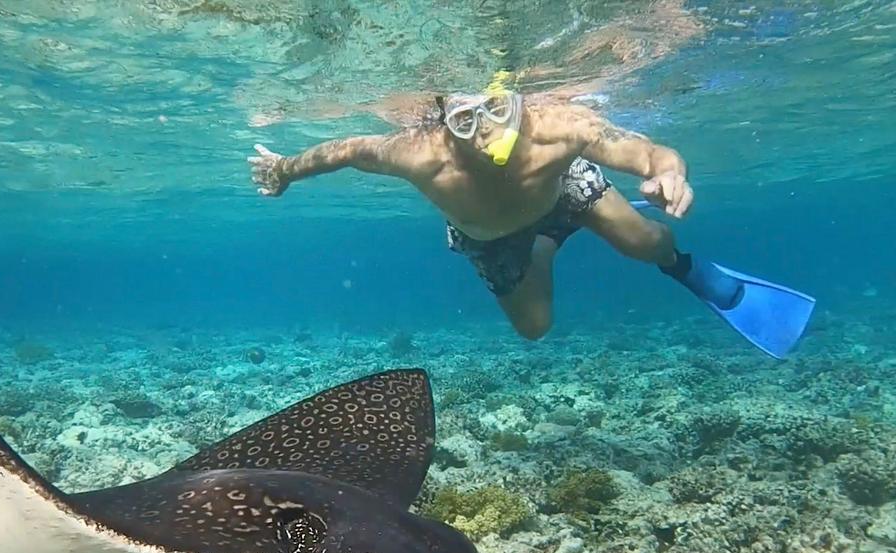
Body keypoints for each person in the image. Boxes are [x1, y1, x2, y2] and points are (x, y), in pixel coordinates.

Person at [247, 89, 814, 358]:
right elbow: (342, 151)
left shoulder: (558, 127)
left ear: (517, 104)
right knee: (535, 328)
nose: (488, 130)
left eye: (497, 109)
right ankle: (544, 249)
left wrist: (671, 173)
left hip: (562, 187)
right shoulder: (415, 152)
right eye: (467, 119)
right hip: (487, 236)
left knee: (648, 240)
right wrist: (284, 171)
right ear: (444, 123)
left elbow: (645, 150)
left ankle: (686, 271)